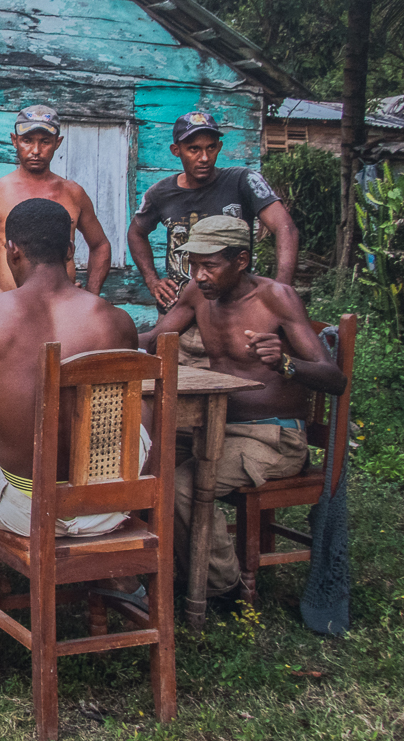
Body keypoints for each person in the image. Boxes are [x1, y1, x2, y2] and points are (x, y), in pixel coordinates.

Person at [0, 198, 143, 702]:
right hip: (109, 505)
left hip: (29, 504)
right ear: (69, 250)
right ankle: (123, 577)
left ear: (11, 250)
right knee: (136, 437)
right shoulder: (115, 319)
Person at [137, 215, 345, 604]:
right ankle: (164, 571)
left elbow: (334, 379)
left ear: (242, 260)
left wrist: (287, 363)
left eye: (210, 265)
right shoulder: (198, 294)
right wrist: (102, 331)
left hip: (273, 436)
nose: (199, 275)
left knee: (183, 486)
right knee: (143, 459)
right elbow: (153, 338)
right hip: (215, 428)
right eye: (194, 265)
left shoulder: (276, 298)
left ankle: (222, 588)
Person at [127, 110, 300, 312]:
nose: (204, 157)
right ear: (176, 150)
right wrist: (152, 280)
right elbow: (136, 233)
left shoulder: (242, 181)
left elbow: (285, 227)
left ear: (219, 147)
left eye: (211, 148)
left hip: (234, 311)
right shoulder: (160, 193)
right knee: (162, 342)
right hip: (179, 310)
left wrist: (282, 290)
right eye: (194, 149)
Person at [0, 104, 111, 294]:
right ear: (14, 141)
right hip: (11, 311)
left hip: (64, 309)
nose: (36, 150)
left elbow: (100, 245)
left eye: (45, 142)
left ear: (58, 142)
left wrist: (91, 294)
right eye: (27, 141)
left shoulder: (73, 193)